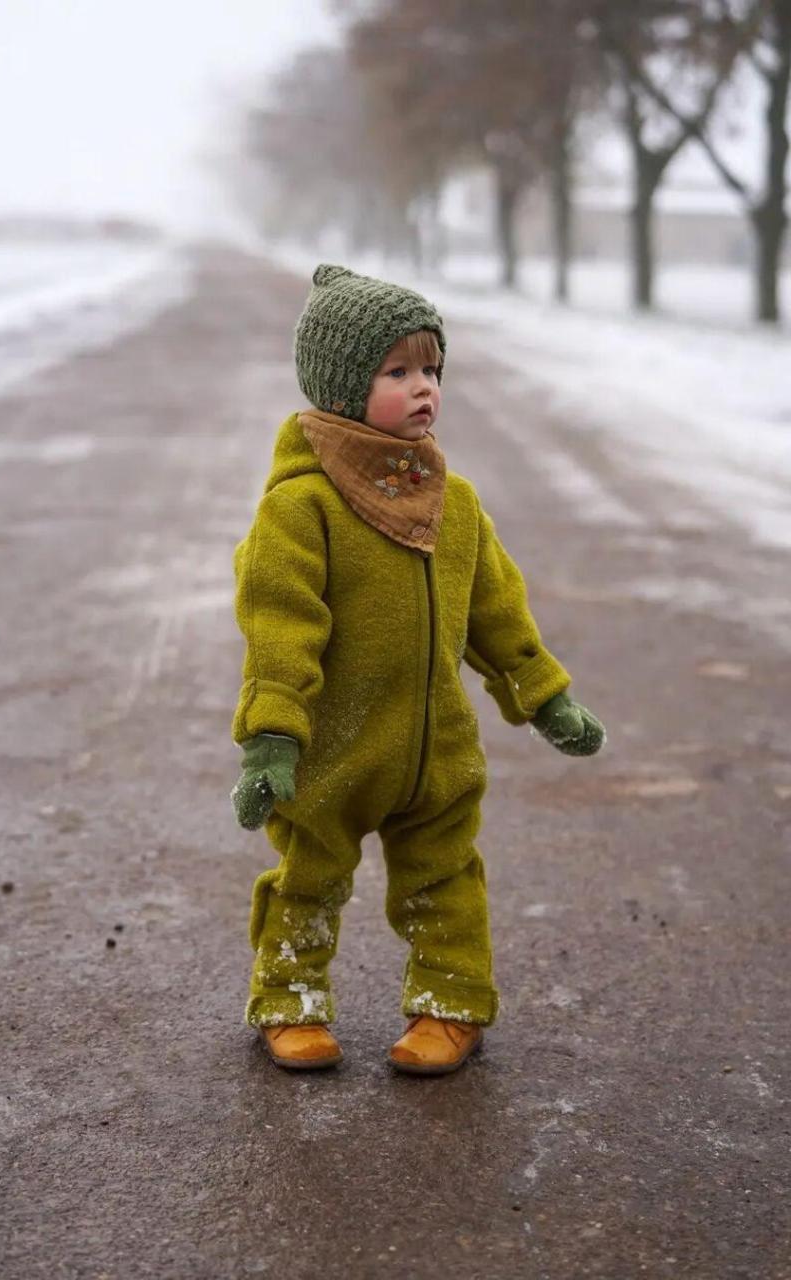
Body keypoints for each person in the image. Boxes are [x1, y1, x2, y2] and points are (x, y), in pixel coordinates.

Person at [229, 263, 605, 1075]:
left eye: (431, 368)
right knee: (310, 879)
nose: (423, 387)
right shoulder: (302, 508)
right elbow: (279, 627)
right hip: (335, 750)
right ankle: (289, 996)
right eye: (396, 371)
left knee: (445, 879)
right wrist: (271, 737)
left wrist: (546, 697)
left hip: (437, 750)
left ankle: (450, 1004)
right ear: (340, 386)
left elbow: (497, 614)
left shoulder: (454, 502)